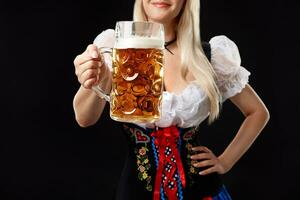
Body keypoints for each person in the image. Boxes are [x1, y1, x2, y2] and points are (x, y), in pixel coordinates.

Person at [73, 0, 270, 199]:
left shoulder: (209, 56)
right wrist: (94, 78)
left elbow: (257, 112)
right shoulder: (119, 48)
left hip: (202, 191)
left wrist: (225, 161)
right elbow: (84, 118)